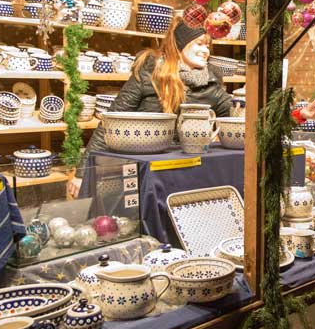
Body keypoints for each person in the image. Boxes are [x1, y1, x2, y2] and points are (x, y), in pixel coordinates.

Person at [67, 17, 233, 198]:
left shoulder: (211, 78)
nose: (205, 51)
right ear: (180, 44)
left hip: (189, 170)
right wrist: (82, 172)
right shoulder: (151, 70)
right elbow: (112, 119)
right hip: (146, 170)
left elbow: (230, 117)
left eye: (208, 46)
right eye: (200, 44)